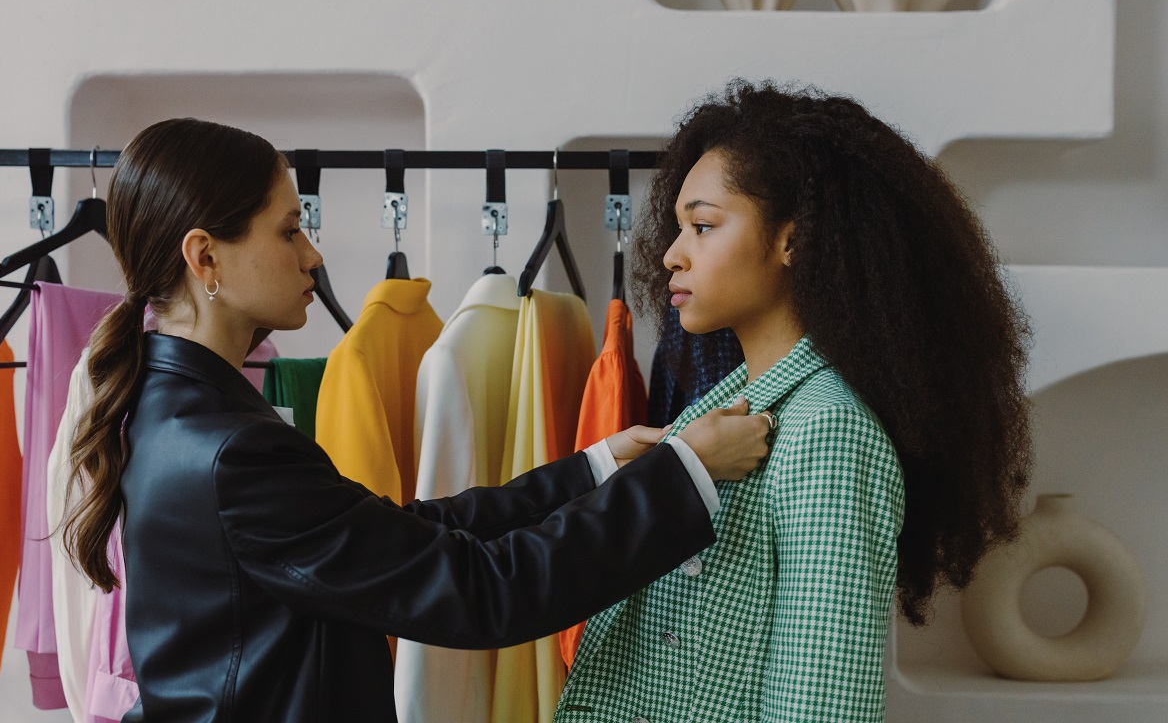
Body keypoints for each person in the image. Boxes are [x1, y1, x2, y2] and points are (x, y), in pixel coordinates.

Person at [60, 118, 776, 723]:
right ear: (204, 256)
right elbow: (482, 589)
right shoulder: (230, 448)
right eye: (288, 232)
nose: (313, 255)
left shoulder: (176, 407)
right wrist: (684, 475)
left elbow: (403, 529)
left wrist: (591, 469)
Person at [556, 80, 1033, 723]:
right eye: (678, 229)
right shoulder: (721, 412)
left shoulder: (827, 431)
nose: (671, 254)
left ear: (792, 240)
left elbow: (821, 702)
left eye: (702, 226)